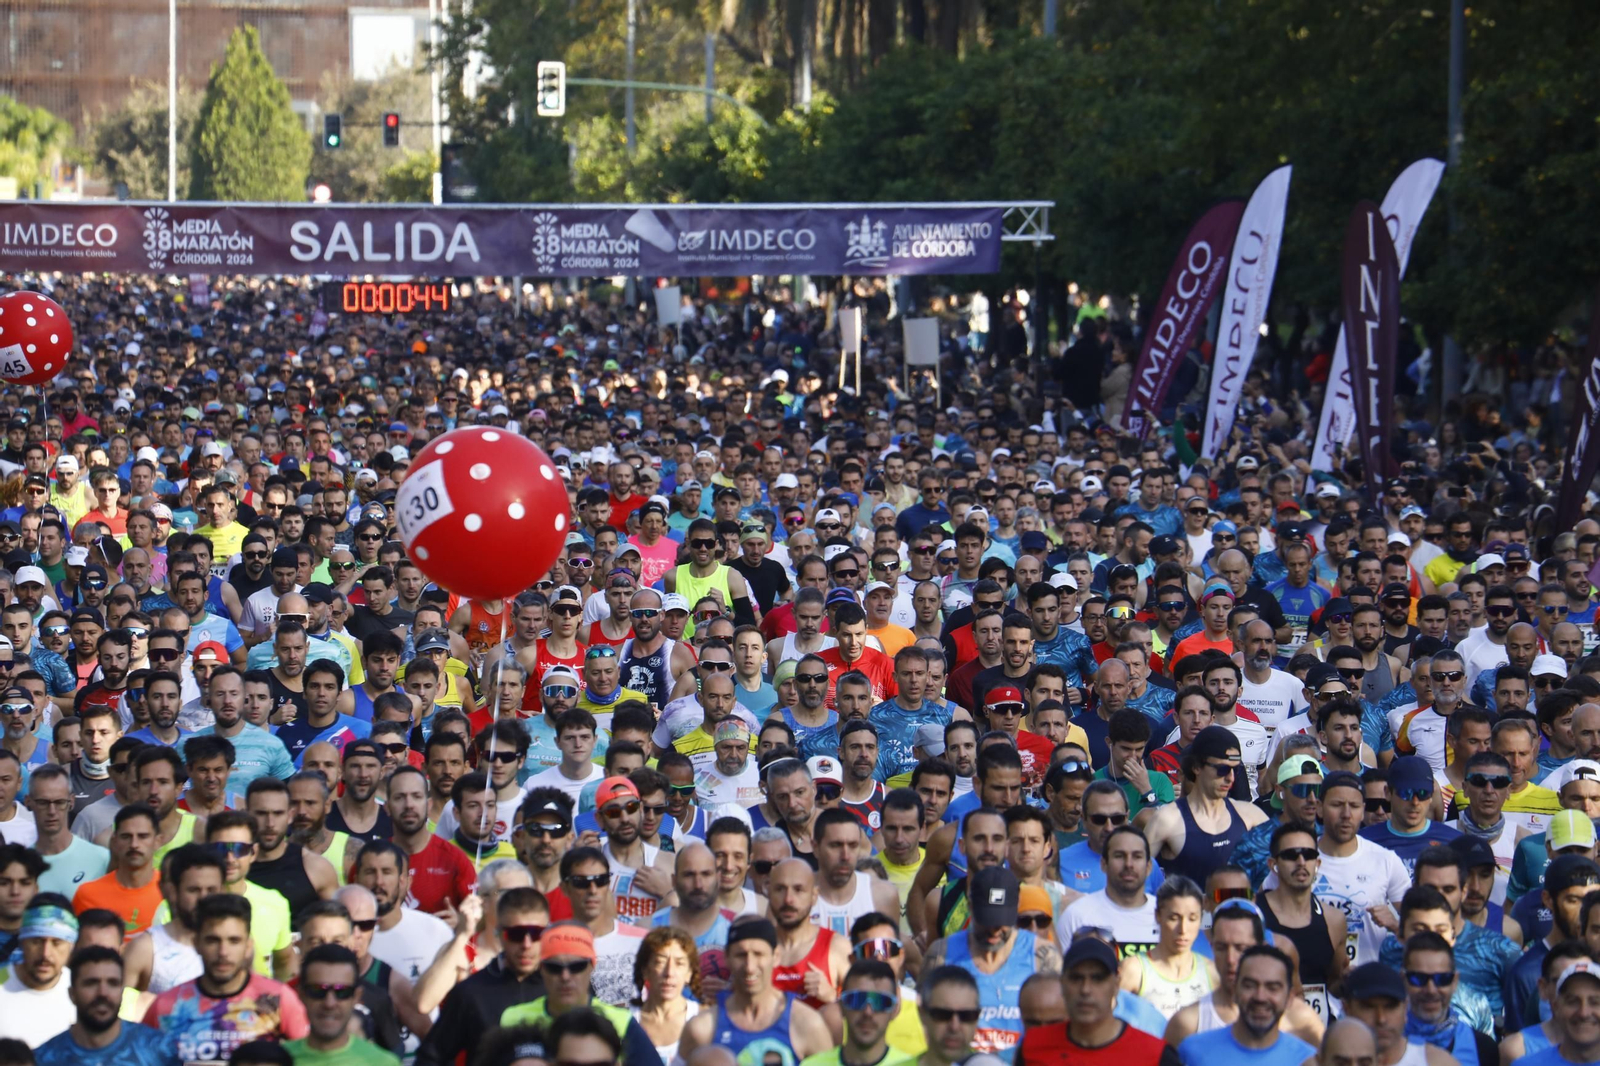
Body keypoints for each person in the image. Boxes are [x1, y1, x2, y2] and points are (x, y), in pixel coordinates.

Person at [143, 893, 309, 1060]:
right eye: (213, 940)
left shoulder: (278, 1000)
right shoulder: (165, 1006)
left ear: (248, 946)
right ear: (196, 943)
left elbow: (309, 1058)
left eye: (234, 941)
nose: (223, 952)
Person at [921, 866, 1062, 1057]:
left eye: (1002, 921)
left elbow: (1059, 1028)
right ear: (970, 906)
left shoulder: (1042, 956)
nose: (994, 931)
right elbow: (922, 1023)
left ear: (1017, 905)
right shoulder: (941, 954)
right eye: (986, 920)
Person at [414, 885, 550, 1066]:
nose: (526, 944)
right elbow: (430, 1058)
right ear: (499, 934)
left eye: (535, 934)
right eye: (516, 934)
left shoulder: (566, 987)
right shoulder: (470, 993)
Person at [497, 922, 665, 1065]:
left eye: (576, 967)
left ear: (592, 967)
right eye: (554, 967)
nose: (565, 977)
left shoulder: (621, 1021)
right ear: (541, 969)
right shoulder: (514, 1018)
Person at [676, 916, 834, 1065]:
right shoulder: (702, 1028)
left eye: (759, 954)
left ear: (776, 956)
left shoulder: (807, 1024)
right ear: (727, 958)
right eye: (741, 955)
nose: (750, 967)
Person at [1019, 936, 1180, 1066]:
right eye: (1076, 978)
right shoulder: (1032, 1047)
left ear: (1116, 984)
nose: (1086, 989)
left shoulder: (1155, 1055)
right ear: (1062, 984)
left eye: (1098, 978)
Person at [1145, 726, 1268, 886]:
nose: (1230, 778)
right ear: (1196, 767)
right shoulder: (1167, 820)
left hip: (1237, 909)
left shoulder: (1251, 816)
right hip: (1188, 910)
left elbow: (1278, 873)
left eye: (1235, 770)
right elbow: (1136, 883)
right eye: (1222, 769)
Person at [33, 942, 174, 1065]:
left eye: (112, 983)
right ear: (72, 994)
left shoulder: (160, 1051)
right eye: (91, 983)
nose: (103, 993)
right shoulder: (43, 1059)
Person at [1173, 946, 1314, 1066]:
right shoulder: (1193, 1052)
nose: (1260, 997)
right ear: (1234, 990)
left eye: (1272, 988)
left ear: (1289, 998)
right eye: (1249, 985)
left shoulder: (1306, 1060)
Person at [283, 942, 401, 1065]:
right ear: (301, 995)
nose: (329, 1003)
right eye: (318, 990)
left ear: (356, 997)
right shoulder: (277, 1061)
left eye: (342, 991)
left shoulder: (383, 1063)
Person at [1119, 876, 1217, 1020]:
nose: (1183, 929)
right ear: (1158, 915)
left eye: (1192, 918)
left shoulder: (1212, 973)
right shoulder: (1133, 970)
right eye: (1174, 918)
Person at [0, 894, 78, 1047]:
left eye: (56, 943)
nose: (45, 954)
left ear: (71, 946)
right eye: (36, 941)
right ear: (22, 942)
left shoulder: (84, 989)